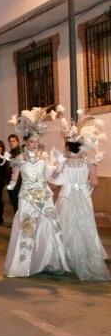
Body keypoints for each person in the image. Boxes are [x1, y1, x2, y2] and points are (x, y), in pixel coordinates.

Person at [4, 107, 70, 278]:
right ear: (25, 141)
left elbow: (50, 176)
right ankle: (23, 265)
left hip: (44, 195)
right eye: (32, 142)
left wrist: (60, 165)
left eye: (36, 141)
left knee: (51, 225)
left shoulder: (43, 158)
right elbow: (15, 176)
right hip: (26, 196)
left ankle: (50, 260)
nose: (35, 144)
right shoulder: (19, 158)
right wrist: (11, 185)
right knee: (27, 228)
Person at [51, 112, 109, 281]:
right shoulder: (89, 163)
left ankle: (65, 261)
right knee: (85, 230)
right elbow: (95, 183)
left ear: (68, 147)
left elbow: (56, 183)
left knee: (65, 230)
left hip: (66, 199)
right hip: (83, 199)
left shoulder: (63, 164)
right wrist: (85, 184)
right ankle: (87, 261)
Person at [6, 134, 22, 213]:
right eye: (10, 141)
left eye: (14, 141)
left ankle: (18, 224)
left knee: (18, 206)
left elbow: (18, 171)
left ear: (18, 142)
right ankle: (17, 223)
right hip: (11, 182)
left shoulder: (20, 154)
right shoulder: (10, 154)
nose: (12, 143)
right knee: (15, 205)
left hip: (18, 183)